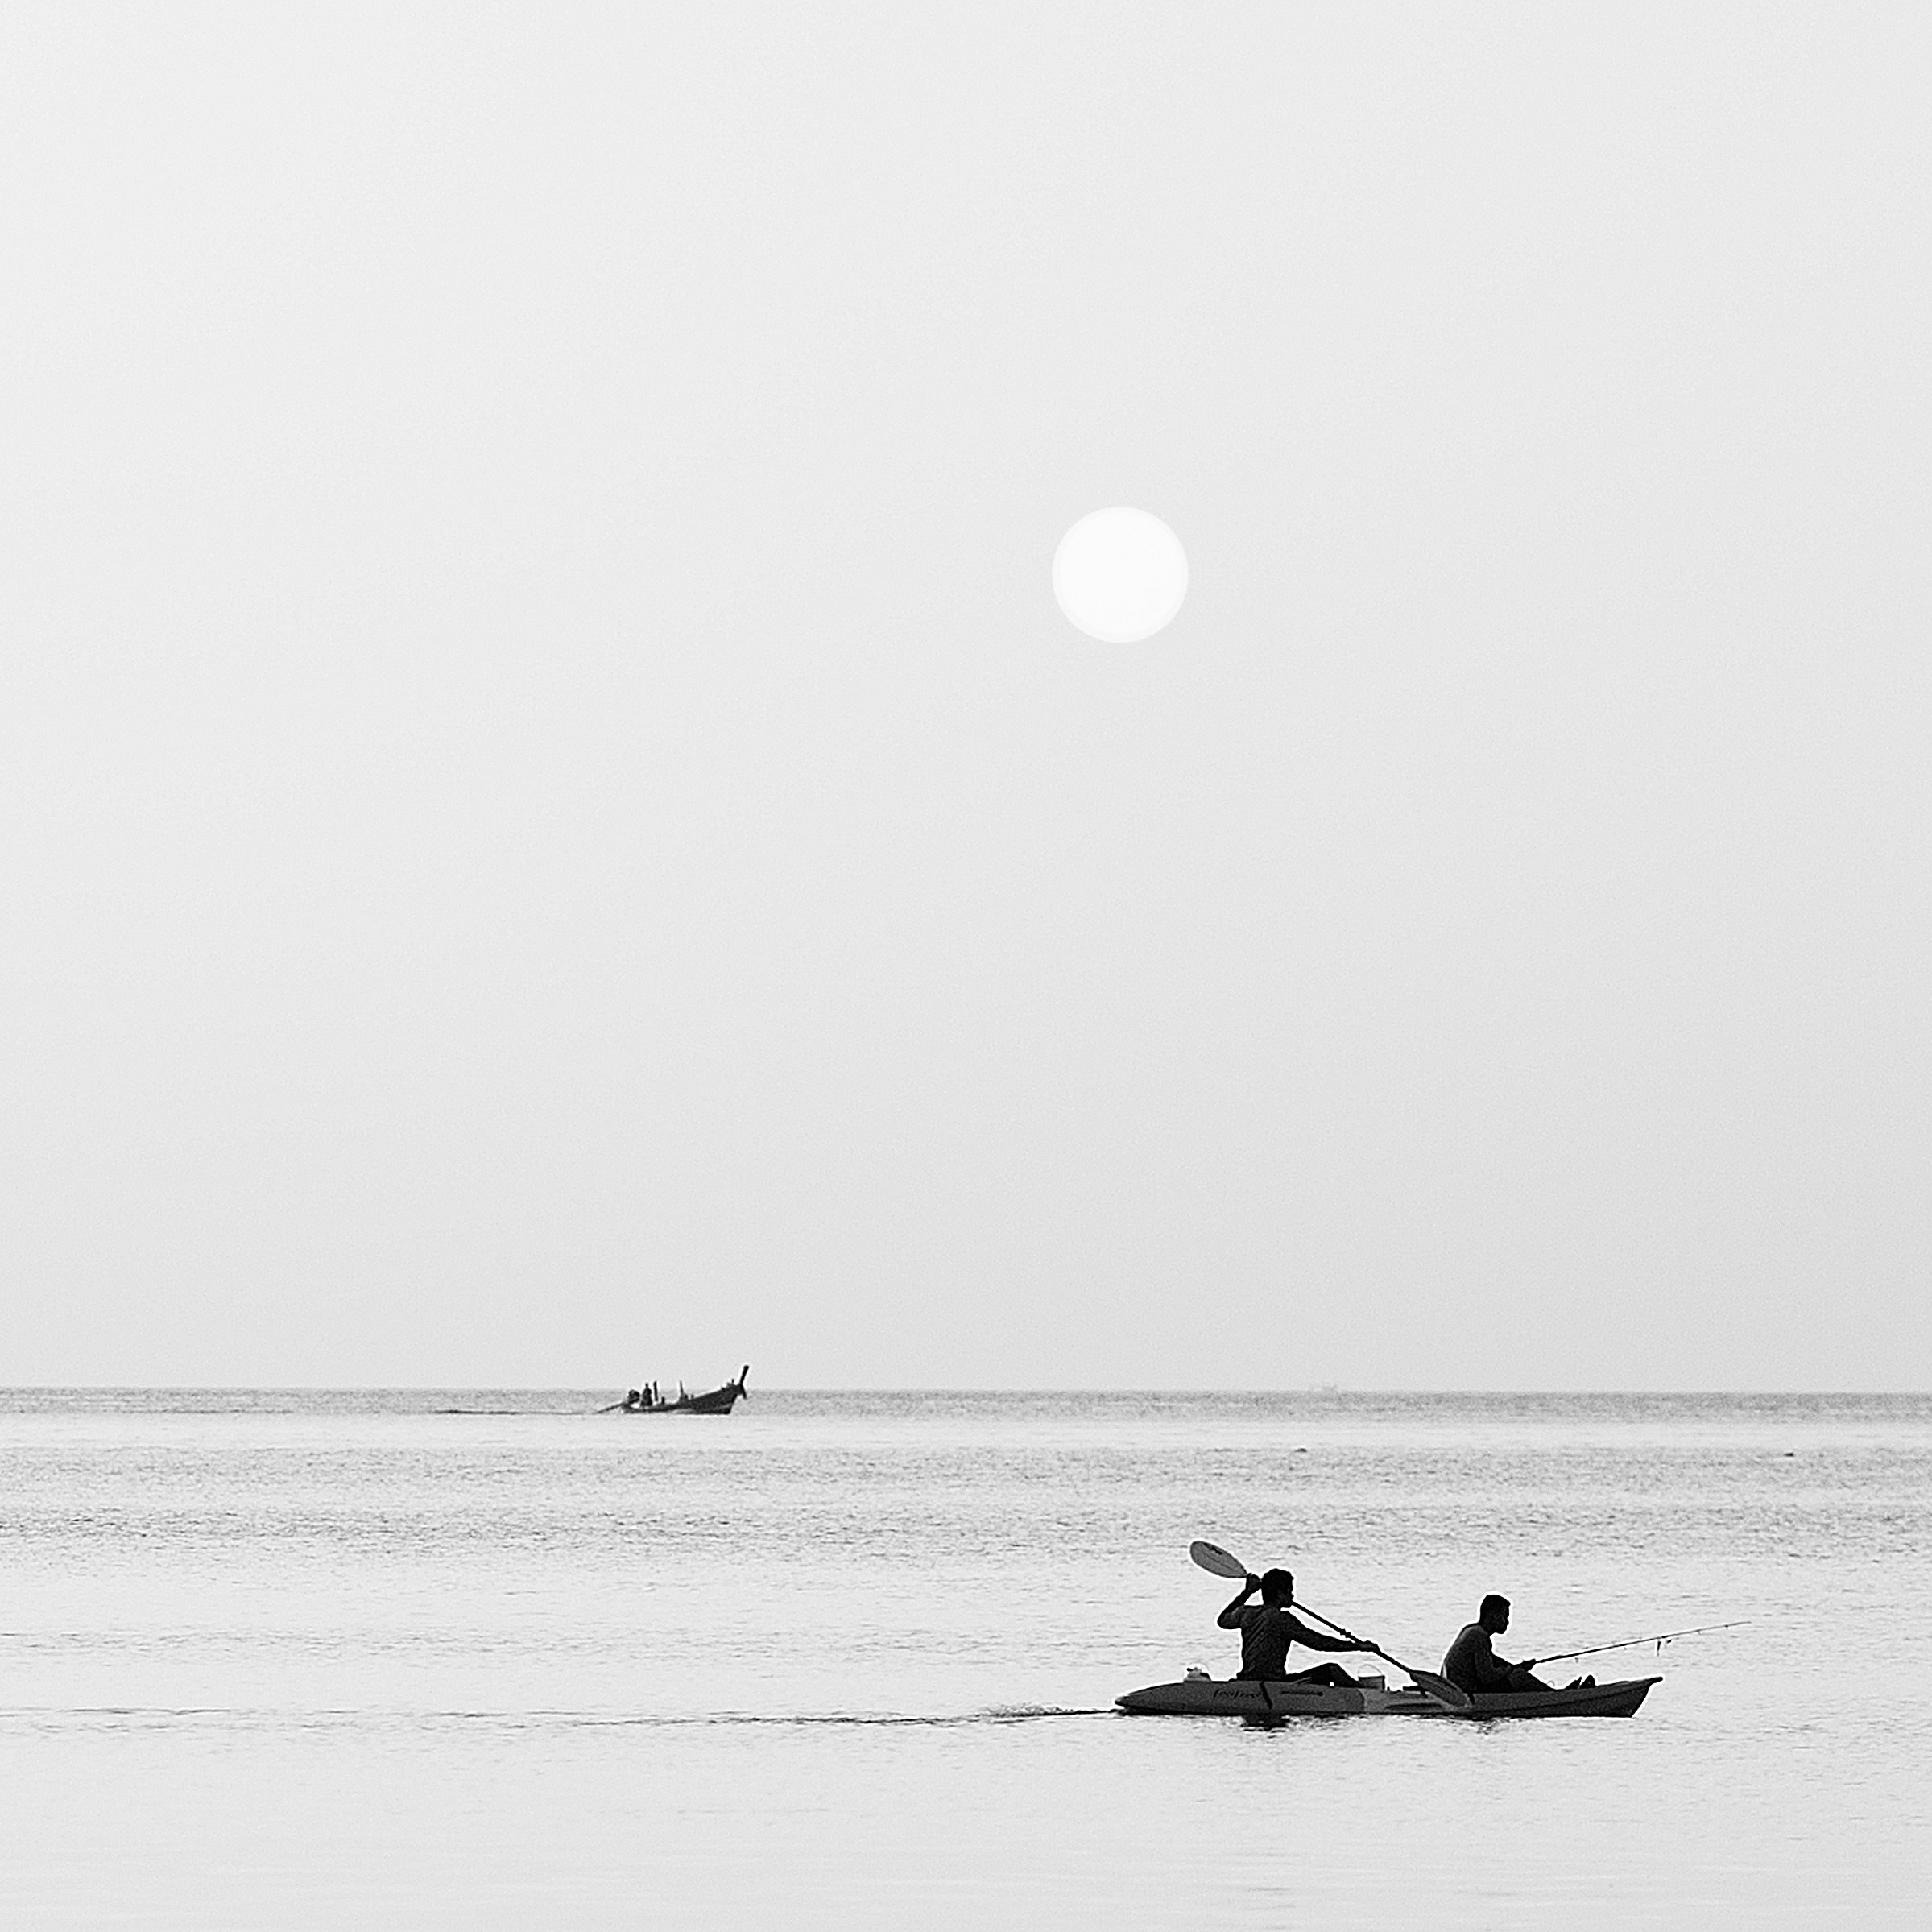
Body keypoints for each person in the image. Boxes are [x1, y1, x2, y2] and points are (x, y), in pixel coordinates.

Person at [1217, 1568, 1381, 1685]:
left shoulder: (1245, 1613)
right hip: (1274, 1684)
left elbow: (1223, 1620)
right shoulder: (1283, 1619)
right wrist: (1358, 1647)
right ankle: (1368, 1696)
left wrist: (1247, 1592)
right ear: (1280, 1594)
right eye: (1290, 1591)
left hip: (1247, 1680)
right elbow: (1318, 1643)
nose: (1292, 1596)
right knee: (1332, 1670)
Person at [1442, 1595, 1593, 1694]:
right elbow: (1487, 1677)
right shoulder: (1479, 1637)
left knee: (1517, 1674)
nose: (1507, 1622)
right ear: (1493, 1616)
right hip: (1466, 1691)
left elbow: (1492, 1661)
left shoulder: (1471, 1630)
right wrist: (1513, 1670)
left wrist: (1517, 1667)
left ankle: (1556, 1693)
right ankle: (1556, 1696)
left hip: (1458, 1686)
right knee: (1519, 1677)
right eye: (1505, 1616)